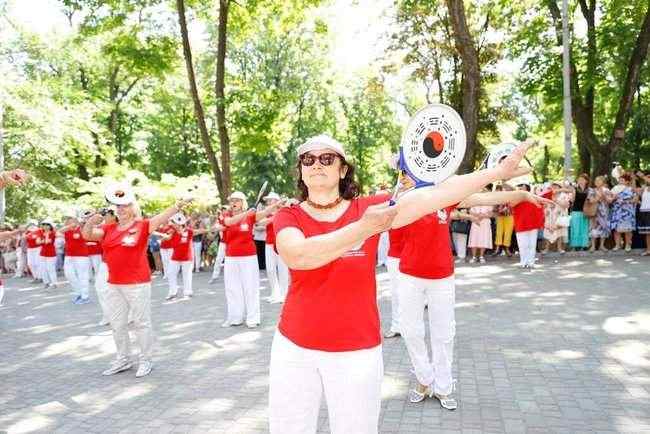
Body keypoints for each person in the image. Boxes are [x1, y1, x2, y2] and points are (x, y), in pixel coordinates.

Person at [268, 134, 535, 433]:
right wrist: (362, 229)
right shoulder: (288, 215)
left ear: (343, 170)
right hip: (294, 348)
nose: (317, 164)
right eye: (308, 159)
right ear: (301, 170)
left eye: (327, 158)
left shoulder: (370, 209)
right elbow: (298, 256)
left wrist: (496, 172)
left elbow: (438, 193)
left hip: (357, 351)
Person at [82, 183, 191, 377]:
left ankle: (146, 359)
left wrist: (177, 206)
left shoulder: (142, 226)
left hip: (137, 283)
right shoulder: (109, 229)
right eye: (118, 206)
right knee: (117, 324)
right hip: (114, 284)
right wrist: (91, 221)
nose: (121, 210)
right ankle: (123, 359)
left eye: (125, 206)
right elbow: (87, 235)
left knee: (141, 323)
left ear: (133, 208)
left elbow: (161, 217)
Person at [218, 192, 282, 328]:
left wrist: (276, 205)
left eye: (236, 200)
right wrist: (247, 213)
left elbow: (264, 213)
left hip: (249, 256)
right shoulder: (226, 215)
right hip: (231, 257)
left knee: (251, 287)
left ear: (242, 202)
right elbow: (230, 222)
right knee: (232, 288)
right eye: (231, 200)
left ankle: (253, 318)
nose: (233, 203)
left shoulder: (250, 216)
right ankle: (235, 317)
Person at [165, 213, 209, 299]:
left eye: (174, 222)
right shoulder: (172, 232)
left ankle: (188, 292)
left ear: (179, 223)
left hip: (187, 258)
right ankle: (173, 292)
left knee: (187, 274)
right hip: (175, 257)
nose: (172, 224)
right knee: (170, 273)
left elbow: (199, 231)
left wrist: (211, 229)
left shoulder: (189, 231)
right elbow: (166, 237)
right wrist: (160, 236)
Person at [258, 192, 289, 304]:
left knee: (282, 269)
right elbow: (260, 223)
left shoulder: (283, 211)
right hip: (269, 243)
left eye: (271, 200)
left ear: (276, 201)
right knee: (270, 269)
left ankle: (284, 294)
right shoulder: (267, 213)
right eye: (268, 200)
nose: (269, 202)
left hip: (280, 243)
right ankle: (274, 293)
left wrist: (276, 214)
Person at [513, 183, 548, 269]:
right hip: (521, 224)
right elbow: (511, 205)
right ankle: (523, 262)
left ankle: (531, 262)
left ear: (527, 189)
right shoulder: (516, 199)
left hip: (533, 225)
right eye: (519, 187)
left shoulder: (534, 198)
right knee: (522, 245)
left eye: (522, 187)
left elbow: (544, 202)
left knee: (532, 245)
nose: (520, 189)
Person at [61, 216, 91, 304]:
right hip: (69, 256)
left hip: (81, 256)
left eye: (73, 221)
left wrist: (79, 224)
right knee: (68, 274)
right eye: (68, 222)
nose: (71, 223)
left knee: (83, 276)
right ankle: (79, 293)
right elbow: (58, 232)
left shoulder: (81, 229)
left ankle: (85, 296)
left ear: (76, 222)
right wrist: (69, 226)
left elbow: (87, 232)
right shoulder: (66, 230)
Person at [610, 173, 637, 251]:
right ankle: (617, 245)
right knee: (616, 229)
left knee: (627, 229)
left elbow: (635, 199)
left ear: (627, 182)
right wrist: (613, 198)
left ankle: (628, 245)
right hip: (617, 210)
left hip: (627, 211)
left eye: (622, 180)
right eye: (620, 180)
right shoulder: (615, 188)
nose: (620, 181)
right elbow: (610, 199)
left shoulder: (631, 189)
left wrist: (626, 201)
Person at [542, 182, 571, 253]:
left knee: (559, 232)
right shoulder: (549, 195)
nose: (554, 188)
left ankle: (559, 248)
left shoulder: (563, 195)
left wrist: (557, 201)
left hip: (559, 216)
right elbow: (544, 205)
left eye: (556, 186)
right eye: (553, 186)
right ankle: (546, 248)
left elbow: (566, 205)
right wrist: (546, 209)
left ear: (559, 187)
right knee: (548, 231)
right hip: (550, 215)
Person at [589, 176, 613, 252]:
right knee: (593, 228)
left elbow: (609, 201)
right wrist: (598, 198)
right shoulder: (592, 190)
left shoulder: (607, 190)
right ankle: (593, 246)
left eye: (599, 181)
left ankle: (602, 245)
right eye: (596, 180)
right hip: (595, 212)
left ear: (602, 182)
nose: (597, 182)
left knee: (604, 228)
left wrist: (604, 196)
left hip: (604, 212)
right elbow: (591, 201)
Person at [569, 174, 592, 250]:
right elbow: (572, 200)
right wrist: (572, 193)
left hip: (585, 211)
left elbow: (591, 200)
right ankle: (574, 246)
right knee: (575, 229)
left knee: (584, 229)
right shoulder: (575, 189)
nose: (580, 181)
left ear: (586, 181)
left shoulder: (589, 190)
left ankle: (583, 245)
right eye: (579, 179)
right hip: (575, 211)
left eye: (582, 179)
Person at [492, 184, 515, 256]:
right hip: (500, 216)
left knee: (508, 232)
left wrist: (504, 182)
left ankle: (507, 249)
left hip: (509, 215)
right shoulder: (496, 198)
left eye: (499, 189)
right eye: (497, 189)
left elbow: (513, 189)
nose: (498, 191)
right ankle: (497, 249)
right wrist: (498, 210)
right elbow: (494, 209)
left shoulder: (509, 195)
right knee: (499, 232)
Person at [209, 207, 228, 283]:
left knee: (229, 261)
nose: (224, 211)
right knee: (218, 259)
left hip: (231, 243)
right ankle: (214, 276)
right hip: (223, 242)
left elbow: (222, 228)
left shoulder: (231, 218)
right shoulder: (220, 219)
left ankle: (230, 277)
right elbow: (215, 227)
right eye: (223, 210)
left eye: (225, 210)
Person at [39, 219, 59, 288]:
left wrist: (45, 237)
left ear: (50, 226)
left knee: (51, 269)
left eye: (47, 224)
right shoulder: (41, 233)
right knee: (43, 268)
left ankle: (54, 283)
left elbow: (47, 241)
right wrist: (43, 240)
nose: (45, 226)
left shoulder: (53, 233)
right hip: (43, 253)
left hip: (51, 253)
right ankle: (46, 282)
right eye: (43, 224)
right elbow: (38, 242)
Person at [637, 173, 650, 256]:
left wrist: (642, 176)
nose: (647, 179)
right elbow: (636, 192)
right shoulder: (644, 188)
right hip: (644, 211)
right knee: (647, 233)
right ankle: (648, 250)